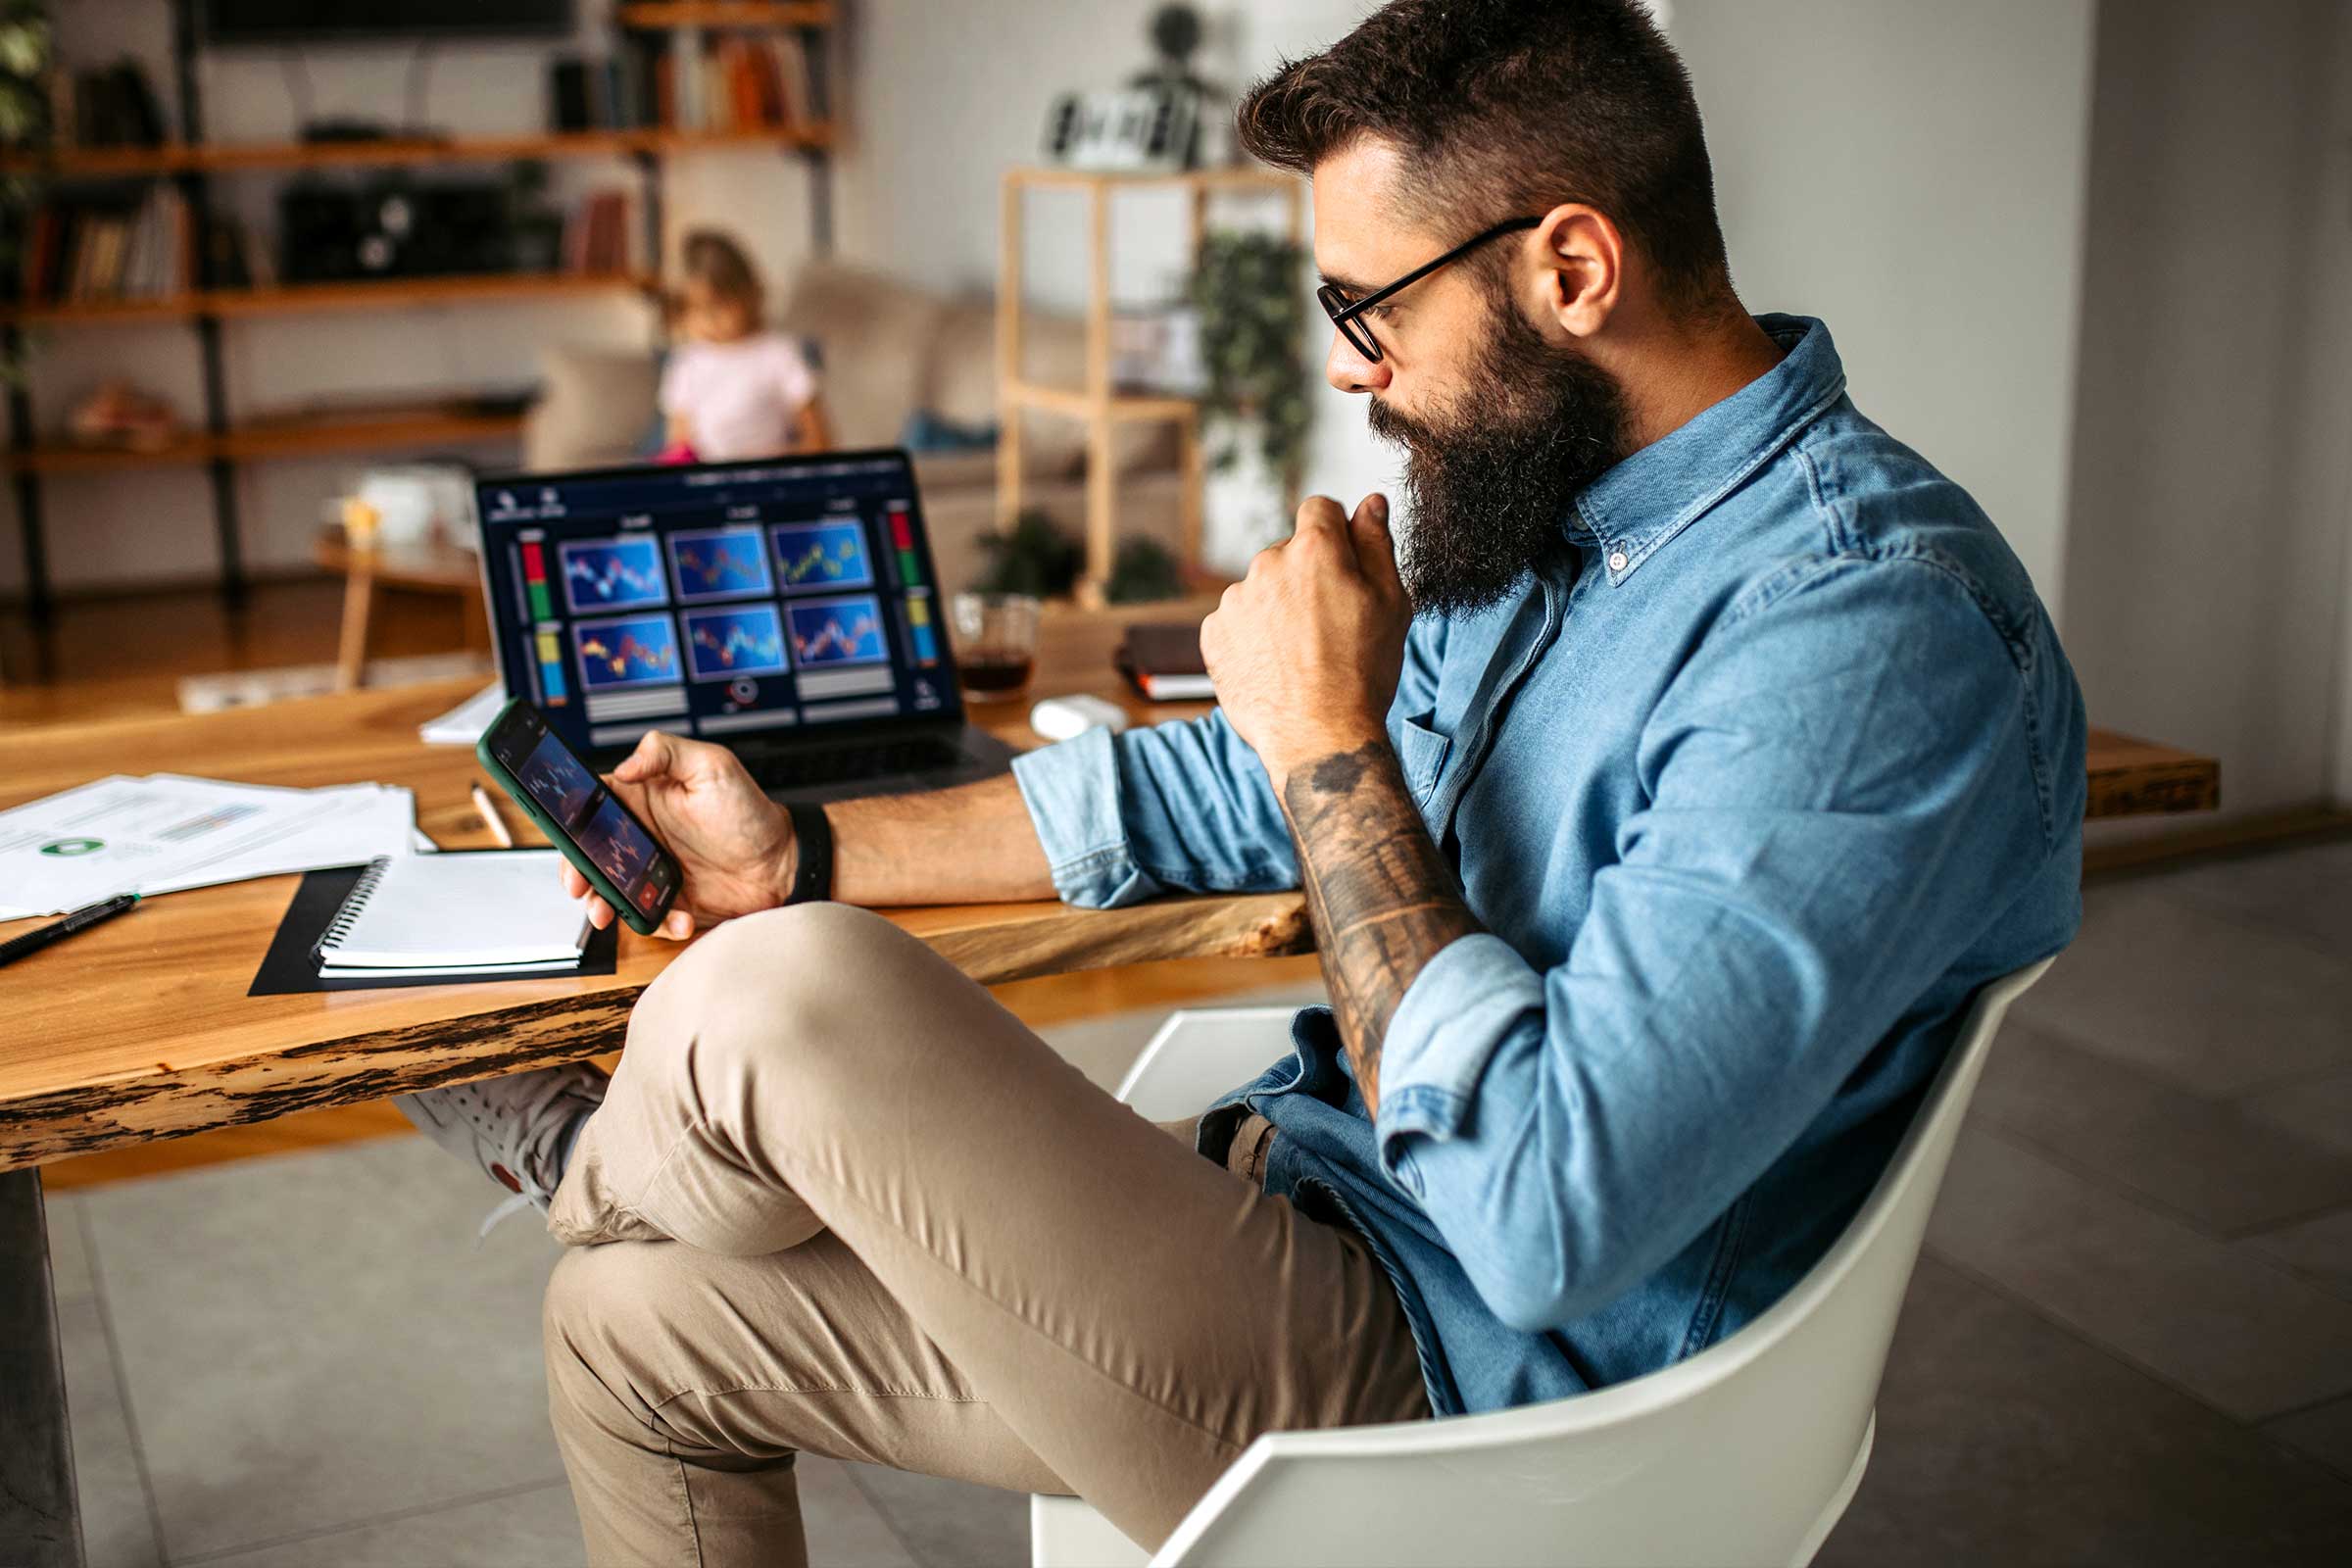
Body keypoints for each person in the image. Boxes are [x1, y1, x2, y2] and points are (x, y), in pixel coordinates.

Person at [397, 2, 2086, 1561]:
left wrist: (1330, 742)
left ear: (1574, 266)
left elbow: (1541, 1221)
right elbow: (1225, 784)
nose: (1352, 368)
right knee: (631, 1328)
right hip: (1304, 1212)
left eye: (1371, 306)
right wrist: (804, 846)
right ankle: (630, 1174)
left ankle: (589, 1165)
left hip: (1475, 1388)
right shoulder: (1565, 518)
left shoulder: (1861, 637)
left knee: (781, 1000)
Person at [656, 228, 833, 464]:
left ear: (747, 293)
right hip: (709, 483)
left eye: (717, 306)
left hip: (769, 478)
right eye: (692, 311)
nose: (708, 320)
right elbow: (679, 442)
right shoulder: (686, 362)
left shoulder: (778, 353)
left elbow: (819, 441)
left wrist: (784, 460)